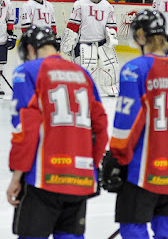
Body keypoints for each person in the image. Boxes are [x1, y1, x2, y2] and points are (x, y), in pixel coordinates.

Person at [102, 9, 168, 239]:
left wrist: (117, 157)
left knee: (132, 225)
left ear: (142, 36)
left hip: (140, 167)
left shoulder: (135, 70)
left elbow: (128, 121)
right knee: (166, 223)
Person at [7, 25, 108, 239]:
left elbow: (25, 129)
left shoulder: (28, 72)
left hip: (44, 178)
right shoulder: (83, 74)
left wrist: (17, 175)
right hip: (80, 177)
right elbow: (100, 128)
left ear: (31, 50)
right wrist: (91, 167)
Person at [61, 0, 120, 96]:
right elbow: (73, 24)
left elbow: (111, 24)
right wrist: (69, 39)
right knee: (89, 66)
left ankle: (110, 86)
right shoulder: (80, 4)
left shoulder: (107, 6)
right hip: (85, 41)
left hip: (102, 41)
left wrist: (111, 34)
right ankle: (87, 88)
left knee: (111, 65)